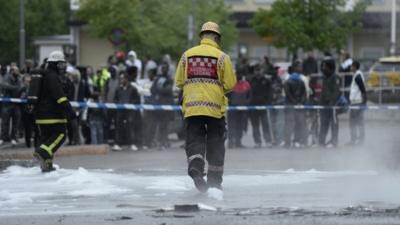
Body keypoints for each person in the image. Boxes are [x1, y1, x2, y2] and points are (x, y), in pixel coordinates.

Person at [175, 21, 236, 192]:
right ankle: (215, 182)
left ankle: (196, 167)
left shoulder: (187, 55)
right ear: (216, 37)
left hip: (192, 107)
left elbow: (179, 81)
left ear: (202, 36)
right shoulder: (223, 57)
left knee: (195, 139)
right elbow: (230, 84)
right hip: (214, 108)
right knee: (216, 142)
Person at [33, 51, 76, 172]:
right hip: (53, 115)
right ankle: (41, 152)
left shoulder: (44, 76)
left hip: (41, 116)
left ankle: (47, 166)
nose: (63, 67)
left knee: (47, 140)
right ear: (55, 64)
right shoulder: (52, 77)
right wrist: (70, 110)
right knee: (61, 135)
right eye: (61, 64)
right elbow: (59, 96)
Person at [112, 72, 140, 151]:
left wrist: (130, 104)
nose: (121, 80)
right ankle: (118, 144)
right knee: (119, 127)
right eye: (120, 78)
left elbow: (136, 99)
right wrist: (117, 104)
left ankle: (132, 143)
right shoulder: (118, 89)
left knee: (130, 127)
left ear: (126, 79)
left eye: (122, 78)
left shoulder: (133, 89)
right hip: (120, 110)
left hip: (130, 111)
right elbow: (115, 99)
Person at [283, 61, 307, 148]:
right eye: (299, 67)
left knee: (293, 124)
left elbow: (303, 93)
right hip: (293, 106)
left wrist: (298, 102)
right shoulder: (297, 81)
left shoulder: (291, 81)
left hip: (293, 105)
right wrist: (299, 102)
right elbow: (303, 94)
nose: (301, 68)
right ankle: (292, 141)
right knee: (293, 124)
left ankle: (289, 142)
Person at [318, 55, 341, 148]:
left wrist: (332, 103)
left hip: (332, 106)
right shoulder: (325, 76)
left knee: (334, 124)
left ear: (330, 67)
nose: (323, 68)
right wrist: (323, 61)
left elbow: (336, 92)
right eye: (323, 66)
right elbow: (321, 69)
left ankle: (334, 141)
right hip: (324, 105)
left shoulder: (335, 78)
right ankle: (321, 142)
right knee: (324, 124)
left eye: (325, 66)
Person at [151, 62, 174, 149]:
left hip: (167, 105)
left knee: (165, 124)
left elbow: (167, 90)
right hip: (158, 105)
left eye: (165, 68)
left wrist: (158, 89)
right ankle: (159, 141)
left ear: (167, 69)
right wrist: (159, 89)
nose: (163, 69)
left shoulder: (169, 79)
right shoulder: (157, 78)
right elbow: (152, 89)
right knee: (159, 124)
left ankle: (164, 141)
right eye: (162, 68)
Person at [248, 63, 272, 148]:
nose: (258, 72)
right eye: (256, 70)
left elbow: (270, 92)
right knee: (255, 125)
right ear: (254, 71)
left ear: (262, 70)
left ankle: (268, 141)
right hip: (253, 106)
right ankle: (257, 141)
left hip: (263, 105)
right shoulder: (250, 80)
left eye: (259, 70)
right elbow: (248, 93)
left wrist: (268, 102)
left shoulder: (267, 80)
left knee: (265, 124)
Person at [0, 66, 23, 146]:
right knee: (5, 121)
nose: (18, 72)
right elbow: (5, 86)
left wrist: (16, 88)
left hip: (16, 103)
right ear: (12, 71)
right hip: (7, 103)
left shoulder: (18, 79)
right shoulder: (7, 77)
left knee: (16, 121)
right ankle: (3, 138)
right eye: (16, 70)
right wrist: (16, 88)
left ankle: (14, 137)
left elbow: (21, 87)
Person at [227, 73, 251, 148]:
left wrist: (246, 103)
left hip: (241, 109)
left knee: (239, 125)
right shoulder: (230, 84)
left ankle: (238, 142)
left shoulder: (246, 84)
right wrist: (230, 103)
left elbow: (249, 95)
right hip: (232, 109)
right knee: (231, 126)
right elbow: (226, 95)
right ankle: (230, 142)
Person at [348, 60, 367, 145]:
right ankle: (358, 139)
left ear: (355, 67)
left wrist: (364, 102)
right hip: (355, 102)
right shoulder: (357, 75)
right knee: (358, 122)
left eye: (352, 66)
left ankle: (355, 140)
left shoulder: (357, 76)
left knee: (354, 122)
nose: (350, 68)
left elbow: (363, 90)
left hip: (357, 103)